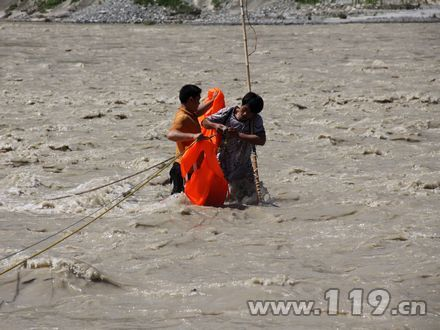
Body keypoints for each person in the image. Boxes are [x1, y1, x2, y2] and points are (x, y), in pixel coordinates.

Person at [201, 92, 266, 203]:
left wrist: (239, 135)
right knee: (218, 200)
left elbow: (261, 140)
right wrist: (217, 126)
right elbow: (204, 122)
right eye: (244, 109)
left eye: (250, 113)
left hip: (244, 167)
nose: (245, 113)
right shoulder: (228, 112)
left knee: (252, 201)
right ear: (242, 104)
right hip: (223, 163)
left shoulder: (256, 120)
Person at [167, 84, 216, 194]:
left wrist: (213, 101)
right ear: (190, 100)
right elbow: (171, 135)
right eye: (198, 100)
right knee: (180, 200)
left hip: (190, 167)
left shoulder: (190, 113)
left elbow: (199, 111)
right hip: (183, 168)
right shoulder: (182, 117)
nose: (199, 103)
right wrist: (193, 136)